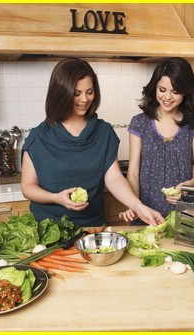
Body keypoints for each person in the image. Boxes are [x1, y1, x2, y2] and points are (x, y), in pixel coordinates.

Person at [21, 57, 163, 227]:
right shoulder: (39, 137)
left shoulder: (104, 132)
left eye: (89, 92)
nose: (84, 100)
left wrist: (139, 207)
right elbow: (28, 187)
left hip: (93, 229)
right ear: (61, 93)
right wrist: (56, 198)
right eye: (76, 93)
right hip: (48, 230)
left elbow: (115, 178)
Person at [119, 57, 194, 224]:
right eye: (162, 89)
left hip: (184, 212)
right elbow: (132, 172)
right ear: (155, 88)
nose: (167, 97)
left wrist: (187, 186)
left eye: (175, 92)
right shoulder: (140, 123)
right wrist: (135, 205)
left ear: (185, 92)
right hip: (146, 212)